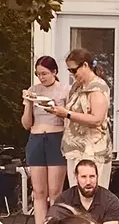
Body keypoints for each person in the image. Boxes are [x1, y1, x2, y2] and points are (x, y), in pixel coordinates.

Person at [46, 48, 112, 189]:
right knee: (76, 195)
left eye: (74, 70)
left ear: (85, 66)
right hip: (76, 150)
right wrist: (56, 109)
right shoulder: (78, 86)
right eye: (69, 71)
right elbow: (74, 111)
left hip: (92, 151)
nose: (72, 75)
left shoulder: (97, 87)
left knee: (93, 194)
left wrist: (67, 114)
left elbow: (97, 119)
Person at [21, 56, 68, 224]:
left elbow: (69, 121)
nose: (41, 77)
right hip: (36, 137)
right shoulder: (33, 90)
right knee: (39, 192)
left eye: (45, 73)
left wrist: (56, 110)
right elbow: (26, 124)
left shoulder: (65, 90)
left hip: (56, 137)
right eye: (38, 74)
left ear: (54, 72)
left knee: (55, 191)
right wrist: (28, 103)